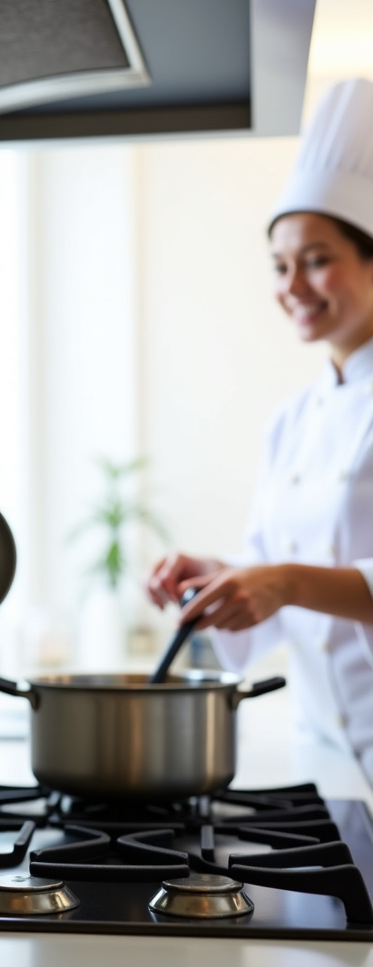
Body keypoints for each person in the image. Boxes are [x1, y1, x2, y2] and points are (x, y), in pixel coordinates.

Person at [146, 77, 373, 784]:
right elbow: (275, 578)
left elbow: (292, 577)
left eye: (317, 259)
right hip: (328, 756)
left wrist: (283, 581)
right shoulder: (292, 420)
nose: (293, 285)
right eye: (280, 266)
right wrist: (228, 581)